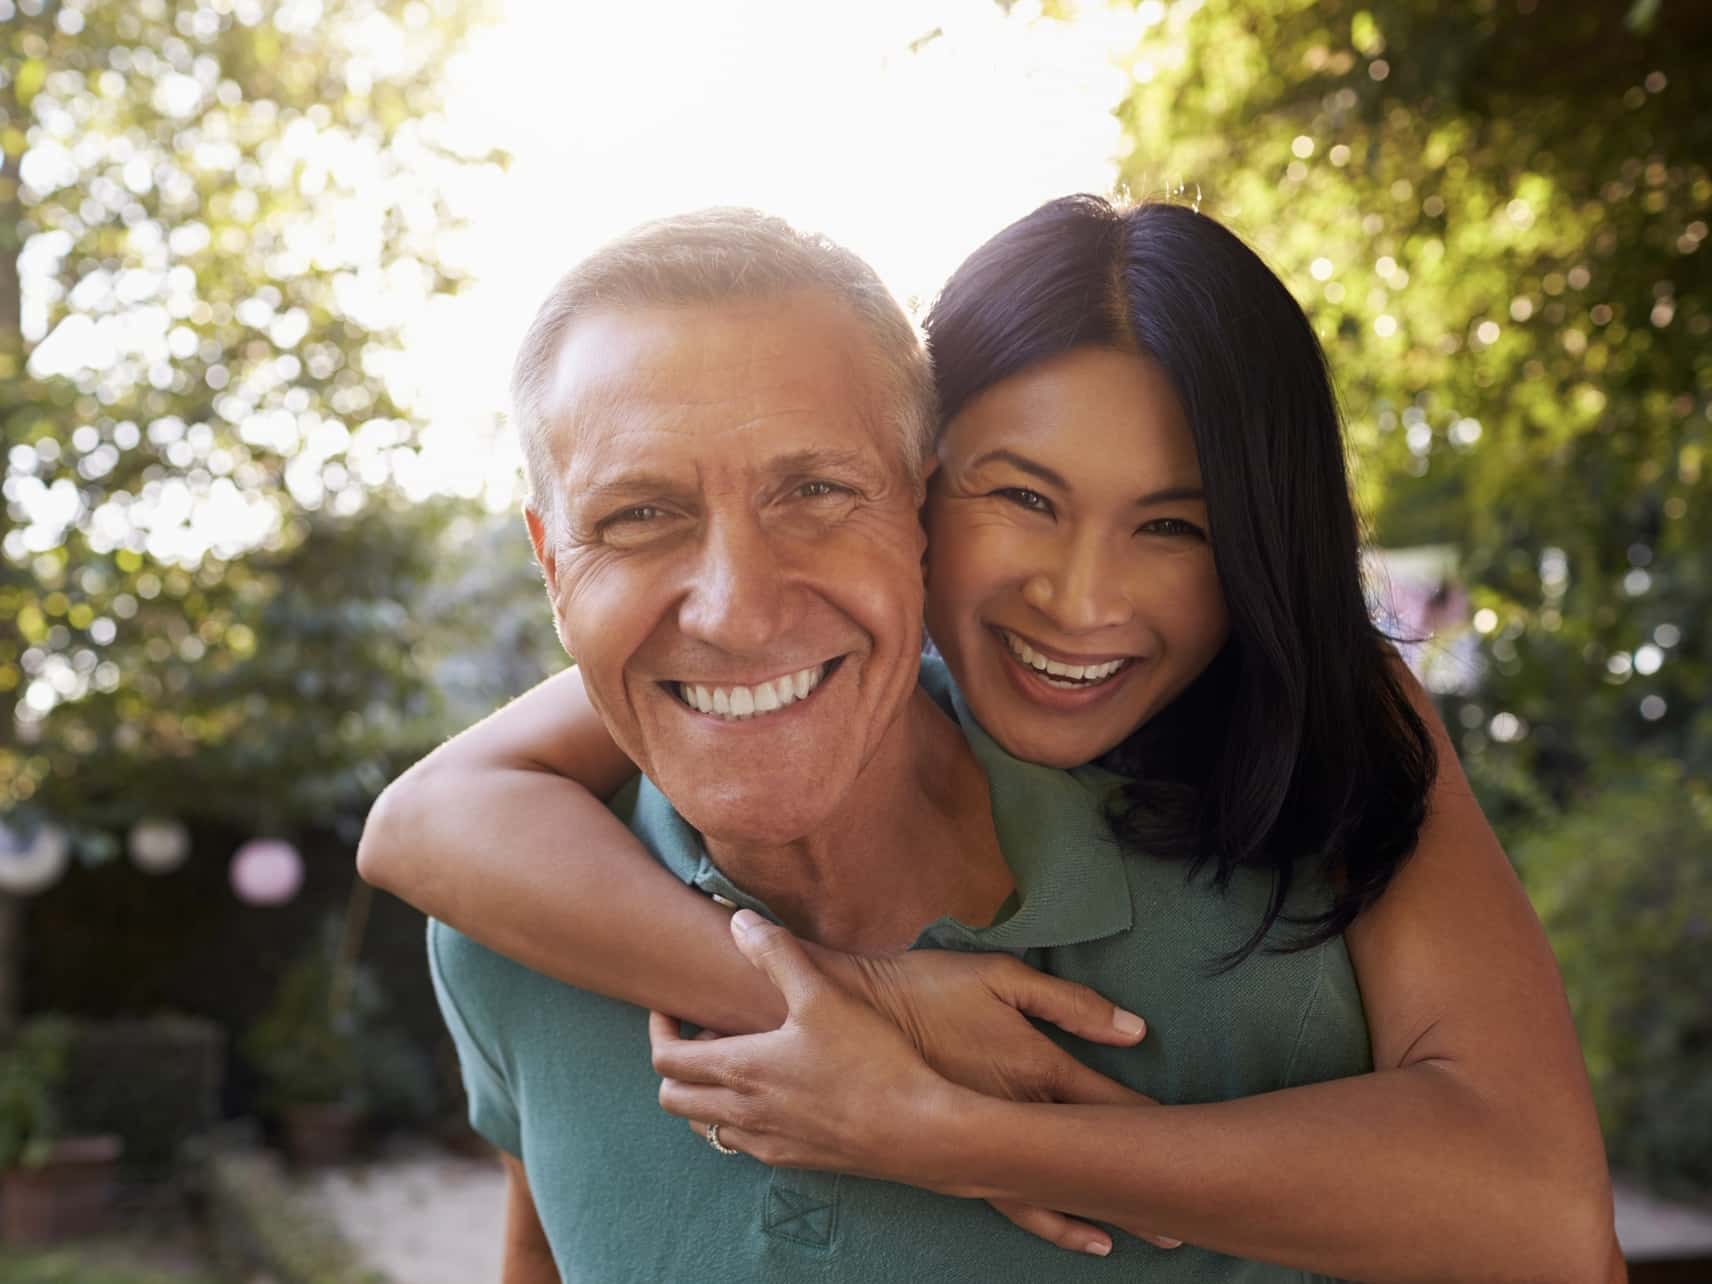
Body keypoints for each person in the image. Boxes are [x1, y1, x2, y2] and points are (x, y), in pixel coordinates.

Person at [366, 199, 1619, 1282]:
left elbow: (1544, 1223)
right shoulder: (522, 920)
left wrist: (941, 1129)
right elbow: (428, 818)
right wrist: (864, 1002)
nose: (1079, 602)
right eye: (1021, 496)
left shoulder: (1316, 772)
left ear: (895, 503)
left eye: (815, 490)